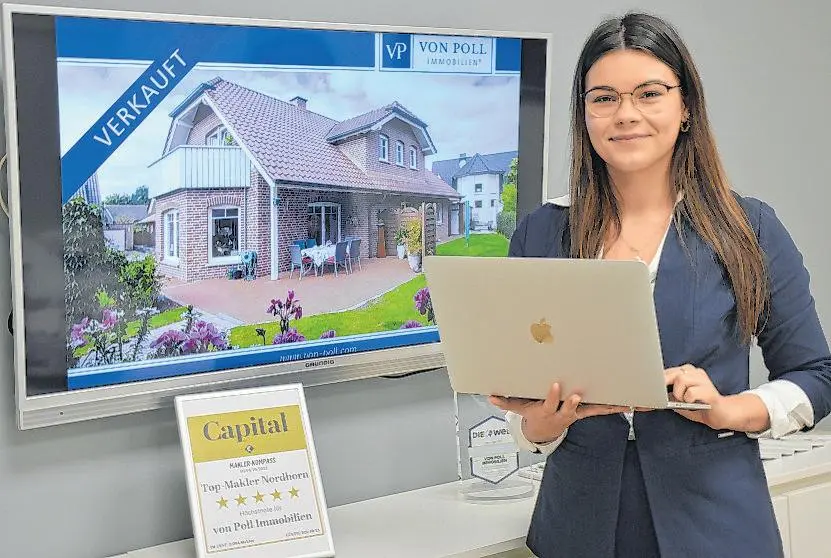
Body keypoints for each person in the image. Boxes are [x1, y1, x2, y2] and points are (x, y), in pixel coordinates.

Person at [489, 11, 831, 558]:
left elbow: (816, 375)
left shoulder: (747, 227)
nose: (626, 115)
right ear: (585, 114)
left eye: (649, 93)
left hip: (715, 525)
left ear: (685, 105)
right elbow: (518, 398)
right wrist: (536, 427)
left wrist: (730, 409)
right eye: (603, 98)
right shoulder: (543, 230)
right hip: (579, 526)